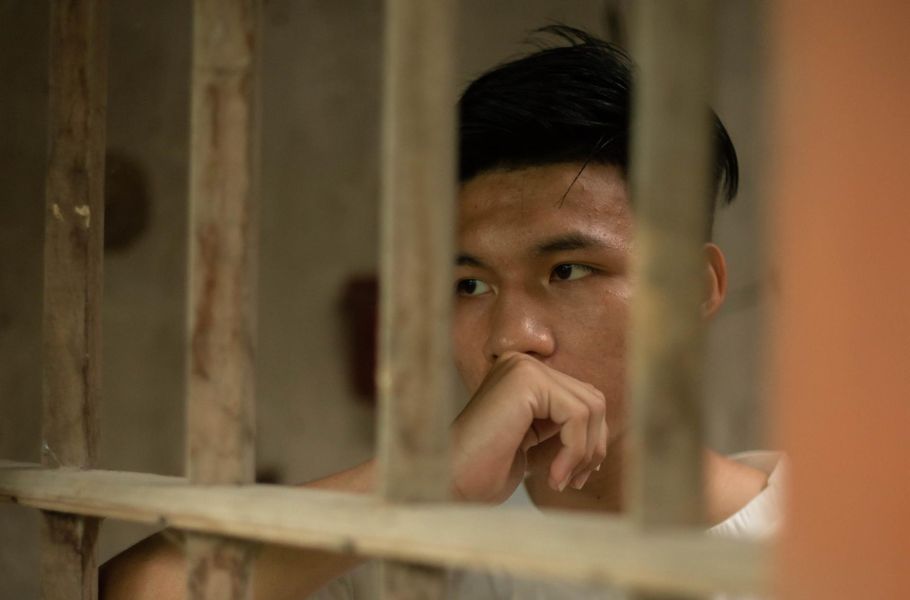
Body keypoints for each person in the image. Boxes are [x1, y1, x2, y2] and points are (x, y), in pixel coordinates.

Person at [101, 26, 783, 600]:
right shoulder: (410, 553)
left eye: (569, 271)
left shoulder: (838, 538)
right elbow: (140, 586)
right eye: (470, 285)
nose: (513, 338)